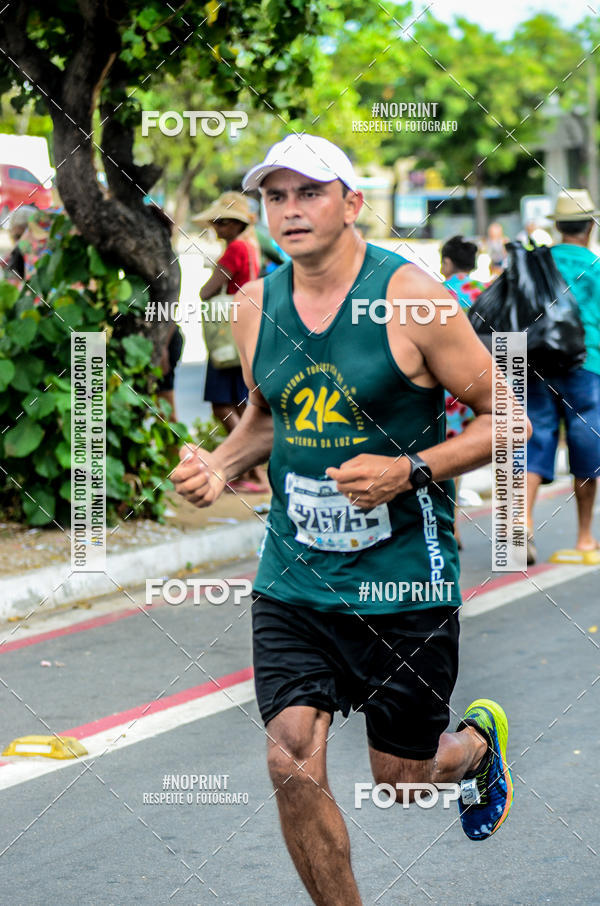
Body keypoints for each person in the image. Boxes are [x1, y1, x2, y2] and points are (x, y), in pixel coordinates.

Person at [174, 134, 525, 906]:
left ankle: (470, 749)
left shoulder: (412, 298)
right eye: (276, 196)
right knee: (289, 755)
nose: (291, 210)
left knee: (400, 782)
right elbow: (271, 417)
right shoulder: (255, 305)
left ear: (352, 202)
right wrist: (221, 464)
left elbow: (509, 419)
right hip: (295, 578)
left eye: (310, 192)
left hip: (406, 582)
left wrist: (408, 469)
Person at [526, 189, 600, 565]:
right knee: (586, 443)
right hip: (586, 365)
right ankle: (586, 536)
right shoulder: (597, 268)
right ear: (589, 226)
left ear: (558, 227)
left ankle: (521, 523)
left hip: (537, 362)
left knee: (535, 437)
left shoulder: (538, 264)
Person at [192, 192, 268, 492]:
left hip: (228, 332)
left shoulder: (234, 249)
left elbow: (206, 291)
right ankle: (250, 473)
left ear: (235, 225)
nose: (217, 228)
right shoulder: (251, 246)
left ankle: (250, 471)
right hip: (246, 326)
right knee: (239, 402)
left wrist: (212, 274)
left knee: (222, 404)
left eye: (222, 222)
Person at [440, 235, 486, 547]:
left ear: (446, 262)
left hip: (442, 383)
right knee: (458, 456)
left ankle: (446, 524)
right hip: (476, 382)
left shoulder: (436, 292)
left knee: (438, 452)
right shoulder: (484, 292)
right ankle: (451, 523)